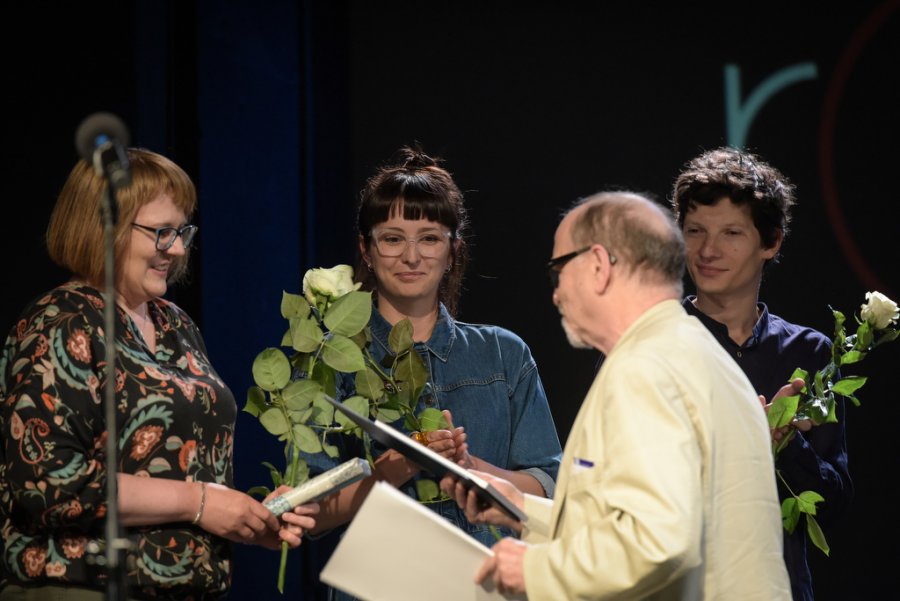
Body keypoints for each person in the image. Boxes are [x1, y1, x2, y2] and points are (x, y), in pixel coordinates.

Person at [0, 148, 318, 600]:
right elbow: (49, 482)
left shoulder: (175, 324)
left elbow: (183, 471)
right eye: (161, 232)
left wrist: (245, 516)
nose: (179, 249)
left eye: (182, 231)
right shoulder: (62, 321)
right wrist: (201, 503)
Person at [441, 191, 792, 599]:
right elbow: (654, 520)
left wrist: (537, 569)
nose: (555, 294)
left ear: (597, 266)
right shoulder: (694, 353)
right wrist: (523, 509)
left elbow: (659, 539)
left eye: (559, 270)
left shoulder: (645, 366)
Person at [307, 145, 562, 599]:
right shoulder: (333, 360)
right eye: (392, 238)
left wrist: (472, 469)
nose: (411, 256)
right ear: (366, 249)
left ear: (452, 249)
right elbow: (312, 512)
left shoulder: (502, 354)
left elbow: (548, 485)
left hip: (487, 580)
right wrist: (401, 463)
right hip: (376, 584)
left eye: (428, 238)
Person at [670, 147, 852, 601]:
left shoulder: (810, 353)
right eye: (695, 231)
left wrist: (785, 445)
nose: (708, 250)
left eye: (731, 232)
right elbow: (601, 478)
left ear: (771, 242)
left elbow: (831, 507)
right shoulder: (647, 344)